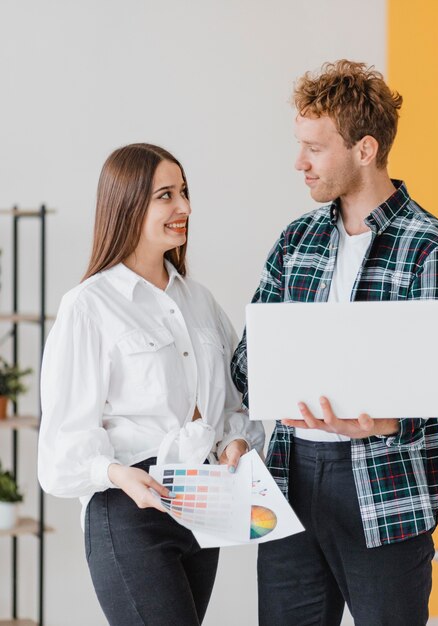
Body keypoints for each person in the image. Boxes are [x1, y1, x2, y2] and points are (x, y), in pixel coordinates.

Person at [231, 60, 438, 626]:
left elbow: (424, 390)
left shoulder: (432, 248)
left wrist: (380, 420)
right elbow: (248, 364)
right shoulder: (297, 239)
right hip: (290, 476)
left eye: (314, 149)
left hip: (384, 484)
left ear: (364, 150)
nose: (300, 163)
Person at [38, 143, 264, 626]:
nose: (184, 207)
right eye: (166, 195)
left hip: (202, 507)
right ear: (127, 204)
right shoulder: (88, 306)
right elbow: (61, 446)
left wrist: (236, 441)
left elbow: (233, 405)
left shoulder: (199, 301)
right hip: (129, 510)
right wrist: (119, 475)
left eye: (183, 192)